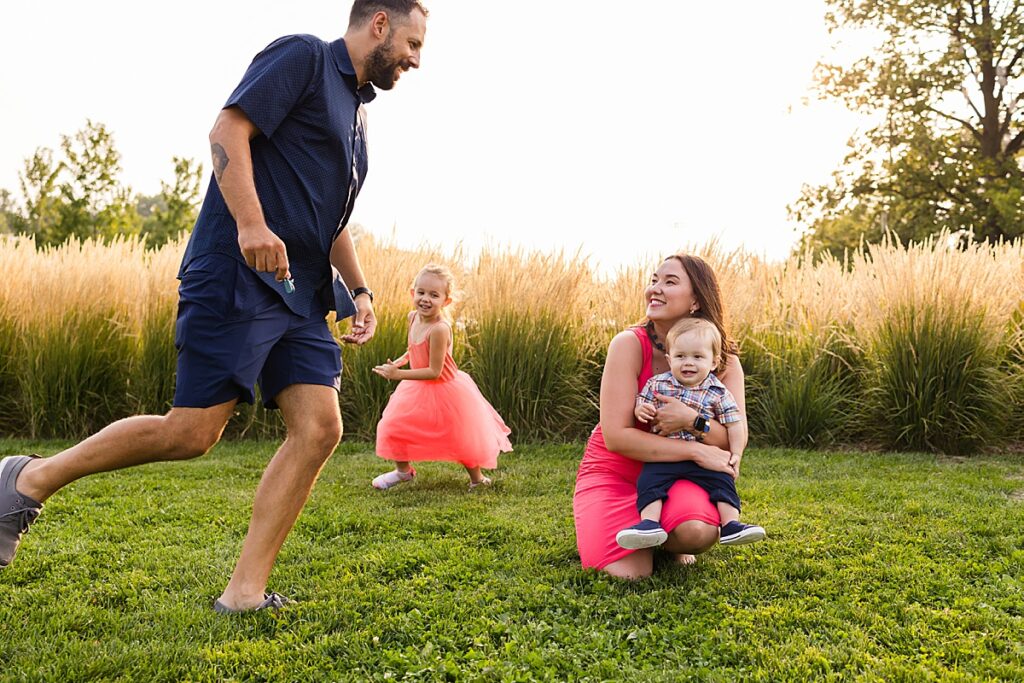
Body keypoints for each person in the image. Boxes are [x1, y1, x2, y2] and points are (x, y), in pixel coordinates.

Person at [0, 0, 429, 614]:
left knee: (319, 428)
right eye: (413, 44)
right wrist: (250, 225)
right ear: (380, 24)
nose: (416, 60)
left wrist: (358, 289)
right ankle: (28, 479)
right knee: (192, 432)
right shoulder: (303, 57)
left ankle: (244, 592)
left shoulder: (359, 113)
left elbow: (331, 218)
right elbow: (227, 131)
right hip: (237, 274)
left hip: (302, 295)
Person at [573, 253, 747, 579]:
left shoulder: (724, 362)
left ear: (696, 300)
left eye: (669, 282)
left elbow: (731, 441)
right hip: (616, 473)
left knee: (697, 532)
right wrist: (696, 448)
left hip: (680, 475)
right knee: (630, 574)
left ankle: (668, 533)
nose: (655, 288)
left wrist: (691, 420)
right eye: (654, 280)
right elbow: (617, 436)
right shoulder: (628, 344)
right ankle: (642, 529)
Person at [615, 317, 765, 550]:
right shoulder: (658, 384)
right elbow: (641, 403)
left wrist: (736, 454)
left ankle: (731, 524)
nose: (688, 363)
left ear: (713, 362)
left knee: (722, 482)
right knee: (649, 481)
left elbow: (734, 423)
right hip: (667, 454)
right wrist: (641, 409)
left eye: (698, 357)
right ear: (669, 359)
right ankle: (649, 523)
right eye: (681, 356)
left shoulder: (717, 391)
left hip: (704, 459)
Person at [370, 264, 512, 490]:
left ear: (446, 301)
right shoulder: (413, 318)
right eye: (421, 292)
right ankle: (403, 472)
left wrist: (398, 375)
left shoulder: (439, 329)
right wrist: (400, 361)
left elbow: (434, 371)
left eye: (434, 295)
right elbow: (413, 349)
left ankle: (478, 479)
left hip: (445, 389)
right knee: (394, 425)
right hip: (416, 388)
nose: (426, 299)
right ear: (412, 293)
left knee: (461, 435)